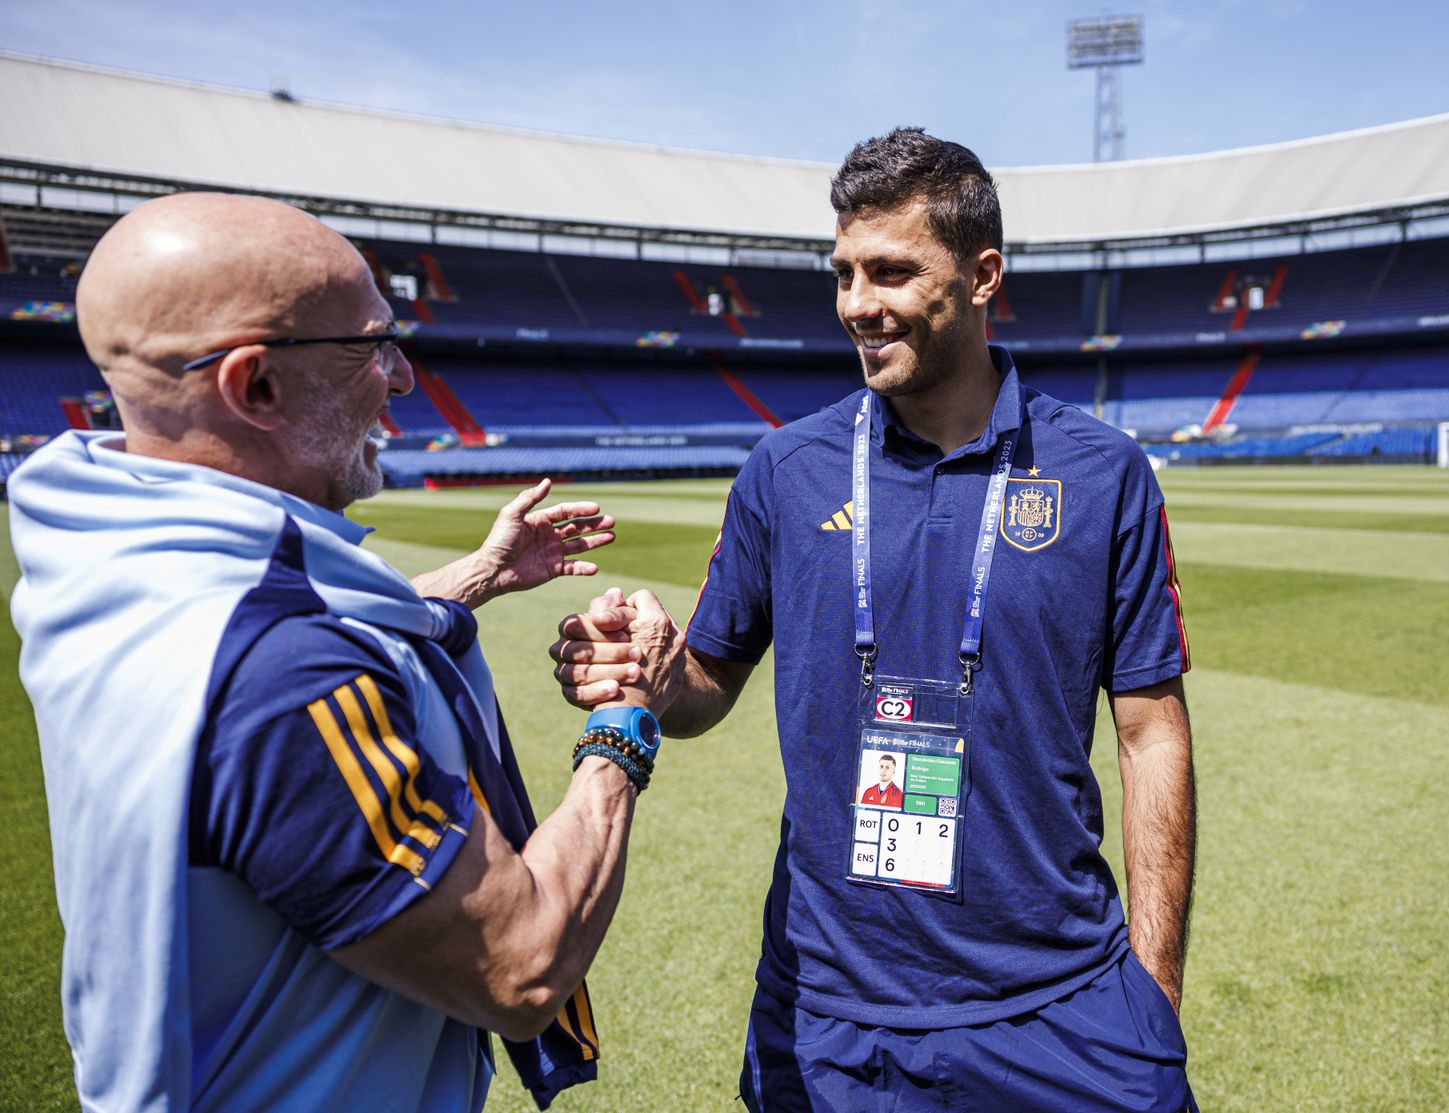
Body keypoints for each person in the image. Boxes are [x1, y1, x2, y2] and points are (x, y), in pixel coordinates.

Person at [552, 128, 1198, 1111]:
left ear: (982, 277)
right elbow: (706, 685)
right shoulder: (786, 469)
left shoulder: (1104, 473)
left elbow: (1152, 734)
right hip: (829, 1010)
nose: (858, 303)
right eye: (844, 273)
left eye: (892, 272)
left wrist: (1153, 997)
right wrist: (652, 672)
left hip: (1061, 998)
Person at [8, 192, 667, 1113]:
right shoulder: (284, 676)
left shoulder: (112, 553)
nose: (402, 379)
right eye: (372, 345)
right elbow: (520, 964)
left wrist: (476, 574)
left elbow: (294, 621)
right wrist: (626, 718)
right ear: (256, 386)